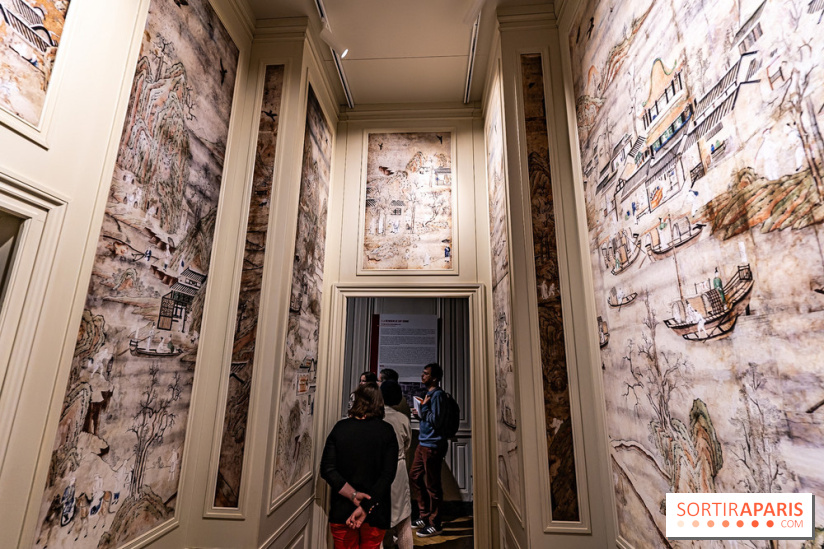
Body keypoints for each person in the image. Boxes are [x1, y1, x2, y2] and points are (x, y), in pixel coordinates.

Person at [321, 384, 398, 548]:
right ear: (379, 403)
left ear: (356, 401)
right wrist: (365, 507)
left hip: (343, 509)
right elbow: (387, 475)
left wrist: (353, 495)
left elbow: (327, 470)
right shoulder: (386, 431)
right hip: (376, 509)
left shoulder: (340, 428)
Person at [409, 363, 447, 538]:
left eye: (425, 374)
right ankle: (424, 516)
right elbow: (429, 417)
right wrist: (420, 412)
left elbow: (437, 421)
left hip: (432, 445)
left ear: (435, 378)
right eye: (422, 373)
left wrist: (423, 408)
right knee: (415, 476)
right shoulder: (429, 395)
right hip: (423, 443)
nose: (422, 376)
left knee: (433, 486)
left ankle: (435, 523)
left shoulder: (437, 396)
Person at [380, 381, 413, 549]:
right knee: (403, 520)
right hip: (397, 469)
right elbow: (407, 444)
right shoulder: (402, 419)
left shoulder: (374, 416)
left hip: (377, 470)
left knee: (378, 520)